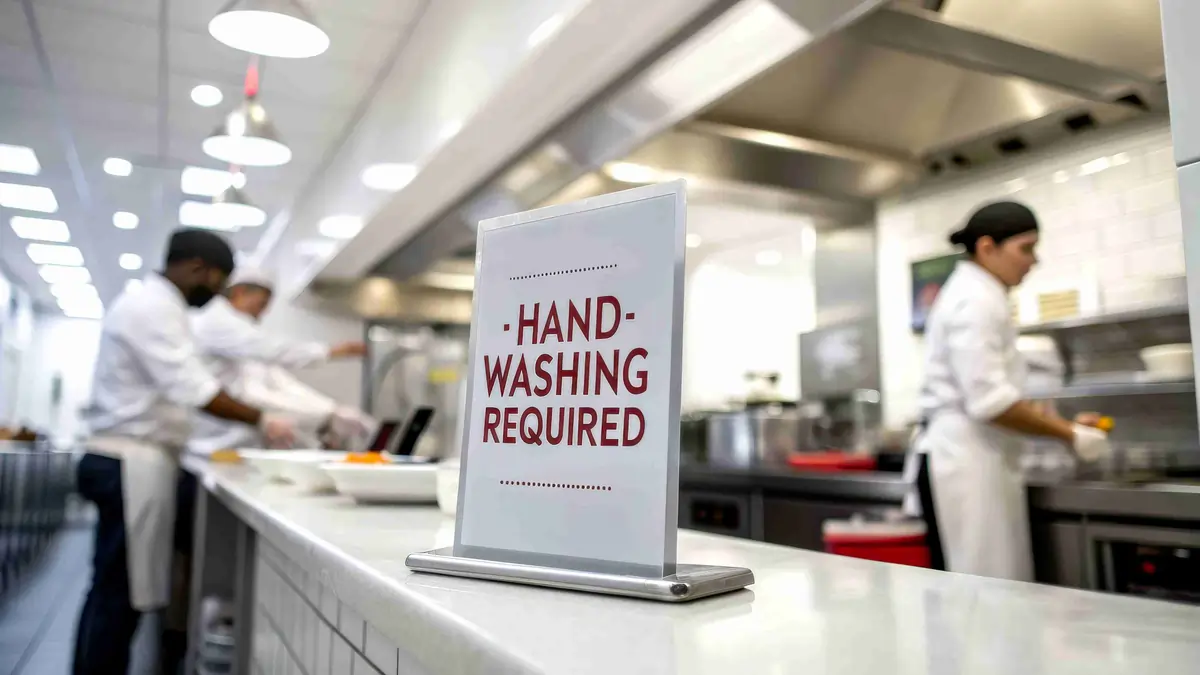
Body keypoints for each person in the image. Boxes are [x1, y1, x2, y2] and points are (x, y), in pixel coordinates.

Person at [72, 229, 297, 675]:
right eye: (218, 281)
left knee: (117, 590)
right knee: (119, 594)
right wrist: (261, 419)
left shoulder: (159, 307)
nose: (217, 293)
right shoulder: (152, 308)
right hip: (127, 461)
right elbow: (193, 387)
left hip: (131, 459)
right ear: (198, 268)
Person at [913, 201, 1112, 581]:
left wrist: (1063, 426)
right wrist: (1070, 434)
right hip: (966, 462)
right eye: (1025, 248)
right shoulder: (975, 300)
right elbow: (990, 403)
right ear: (987, 247)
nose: (1033, 261)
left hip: (976, 457)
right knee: (983, 591)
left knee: (987, 590)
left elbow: (994, 396)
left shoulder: (980, 294)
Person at [187, 265, 372, 455]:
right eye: (262, 303)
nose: (263, 312)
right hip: (209, 446)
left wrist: (332, 409)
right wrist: (332, 352)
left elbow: (280, 380)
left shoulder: (239, 337)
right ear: (240, 292)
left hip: (234, 446)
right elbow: (274, 353)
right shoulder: (217, 322)